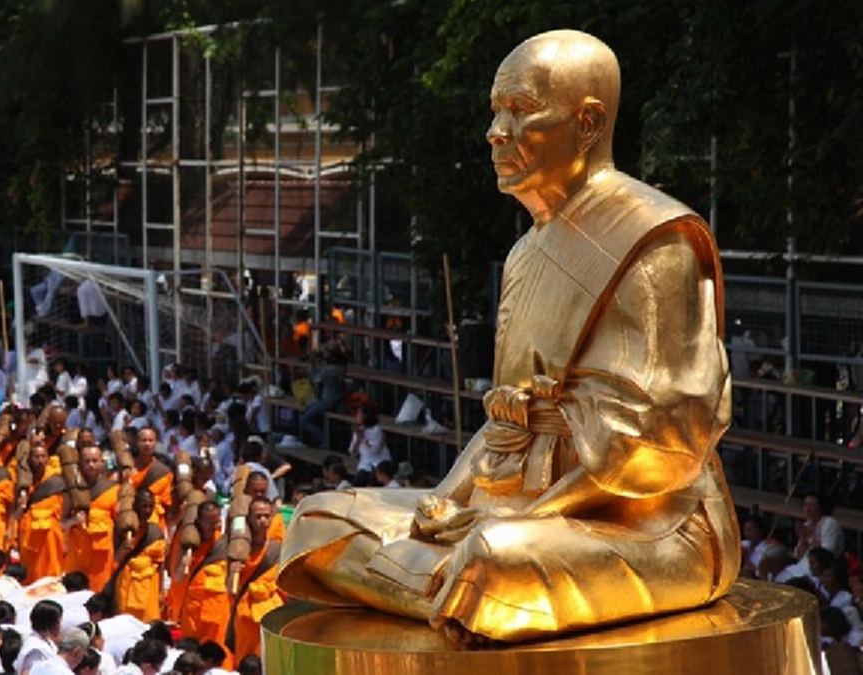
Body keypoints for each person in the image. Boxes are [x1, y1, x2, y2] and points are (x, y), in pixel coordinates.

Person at [278, 29, 738, 642]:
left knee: (494, 563)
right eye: (496, 111)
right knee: (317, 521)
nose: (497, 131)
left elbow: (662, 444)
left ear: (588, 122)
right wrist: (445, 500)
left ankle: (450, 590)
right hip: (513, 503)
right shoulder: (526, 252)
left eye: (520, 111)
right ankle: (450, 595)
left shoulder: (654, 239)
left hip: (641, 520)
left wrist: (513, 512)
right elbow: (507, 423)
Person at [226, 498, 282, 664]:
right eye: (258, 517)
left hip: (271, 615)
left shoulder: (277, 549)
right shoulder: (238, 550)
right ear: (249, 519)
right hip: (245, 618)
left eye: (266, 516)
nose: (263, 521)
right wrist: (233, 572)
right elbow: (230, 589)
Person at [171, 502, 230, 646]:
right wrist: (183, 565)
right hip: (191, 611)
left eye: (215, 522)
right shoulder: (188, 543)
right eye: (207, 523)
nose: (211, 527)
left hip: (216, 612)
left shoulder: (224, 544)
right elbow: (177, 578)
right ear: (198, 521)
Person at [66, 444, 118, 592]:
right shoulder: (72, 490)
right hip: (77, 553)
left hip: (101, 556)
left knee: (98, 595)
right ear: (80, 463)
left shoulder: (112, 490)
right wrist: (73, 521)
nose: (91, 465)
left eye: (95, 461)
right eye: (87, 461)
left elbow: (119, 524)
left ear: (102, 463)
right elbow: (60, 523)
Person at [111, 489, 166, 623]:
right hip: (127, 583)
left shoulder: (155, 531)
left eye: (150, 506)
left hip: (149, 586)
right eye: (144, 506)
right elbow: (115, 559)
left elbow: (160, 563)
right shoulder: (122, 529)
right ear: (135, 506)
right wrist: (123, 549)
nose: (147, 510)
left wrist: (161, 591)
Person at [16, 443, 67, 582]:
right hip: (29, 535)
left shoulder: (56, 481)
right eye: (36, 457)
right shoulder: (25, 483)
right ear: (30, 459)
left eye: (43, 456)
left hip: (51, 535)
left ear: (48, 458)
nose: (40, 460)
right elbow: (15, 514)